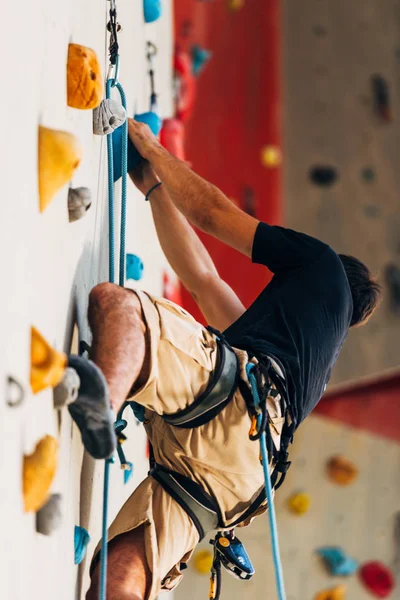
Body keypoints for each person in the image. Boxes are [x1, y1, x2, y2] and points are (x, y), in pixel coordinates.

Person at [82, 119, 382, 600]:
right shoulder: (303, 360)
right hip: (236, 481)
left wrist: (155, 152)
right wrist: (155, 188)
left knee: (121, 310)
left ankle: (104, 401)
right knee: (122, 573)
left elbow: (215, 213)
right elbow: (204, 282)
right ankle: (106, 402)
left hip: (239, 408)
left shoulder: (322, 266)